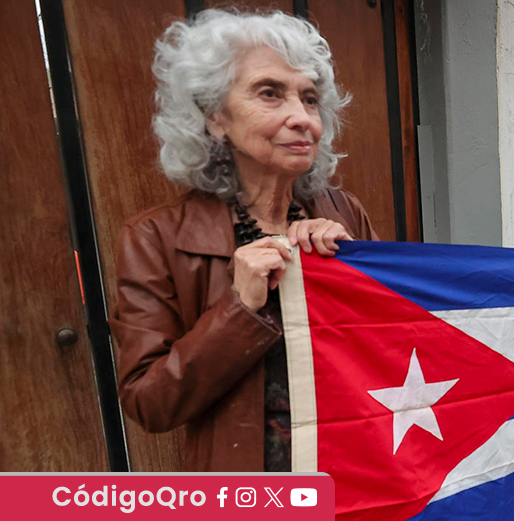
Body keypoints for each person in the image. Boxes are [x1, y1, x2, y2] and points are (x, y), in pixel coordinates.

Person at [111, 10, 378, 472]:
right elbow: (148, 402)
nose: (302, 118)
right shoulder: (155, 237)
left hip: (357, 467)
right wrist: (239, 307)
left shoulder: (342, 212)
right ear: (216, 116)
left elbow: (399, 344)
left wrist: (356, 270)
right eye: (270, 93)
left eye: (310, 99)